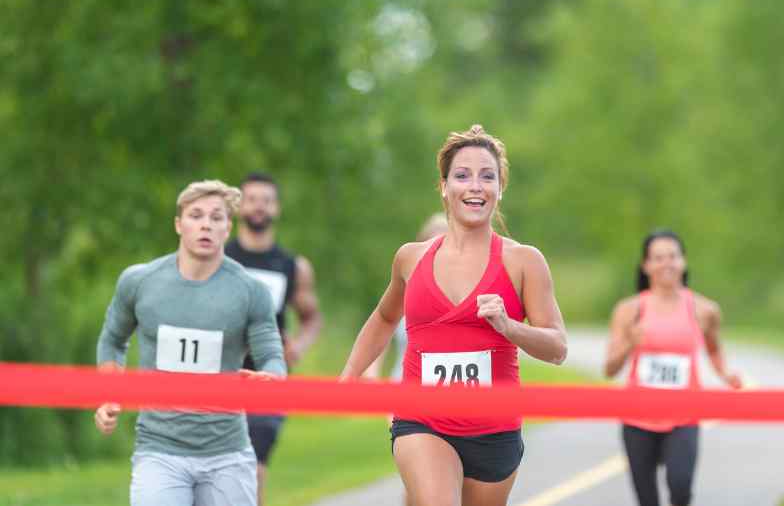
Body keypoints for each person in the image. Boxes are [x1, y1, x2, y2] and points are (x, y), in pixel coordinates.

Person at [340, 124, 568, 506]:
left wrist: (510, 327)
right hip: (422, 420)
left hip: (495, 430)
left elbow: (558, 347)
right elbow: (383, 318)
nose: (475, 186)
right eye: (462, 176)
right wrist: (348, 377)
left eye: (487, 176)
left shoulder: (524, 261)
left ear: (500, 188)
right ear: (444, 187)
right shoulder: (410, 258)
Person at [94, 179, 286, 506]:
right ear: (179, 224)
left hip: (227, 451)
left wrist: (271, 377)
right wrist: (108, 393)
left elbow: (271, 354)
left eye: (216, 217)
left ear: (228, 227)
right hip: (159, 449)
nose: (206, 225)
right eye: (196, 215)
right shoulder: (140, 282)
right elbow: (112, 340)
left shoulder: (250, 291)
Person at [604, 229, 742, 506]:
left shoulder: (704, 310)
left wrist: (724, 373)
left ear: (683, 261)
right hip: (637, 417)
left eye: (673, 256)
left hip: (685, 414)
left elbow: (714, 348)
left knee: (680, 487)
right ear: (646, 265)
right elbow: (609, 369)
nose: (666, 263)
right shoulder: (629, 310)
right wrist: (629, 343)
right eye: (658, 258)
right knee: (647, 499)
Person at [225, 172, 323, 506]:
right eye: (251, 199)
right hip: (219, 374)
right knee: (216, 469)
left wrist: (297, 346)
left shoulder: (292, 266)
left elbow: (312, 318)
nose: (258, 207)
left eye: (266, 200)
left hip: (268, 376)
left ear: (276, 208)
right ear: (239, 206)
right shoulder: (219, 258)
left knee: (254, 467)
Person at [365, 212, 449, 382]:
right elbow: (383, 326)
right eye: (432, 246)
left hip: (455, 397)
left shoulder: (470, 291)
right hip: (403, 393)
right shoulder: (406, 288)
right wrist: (371, 370)